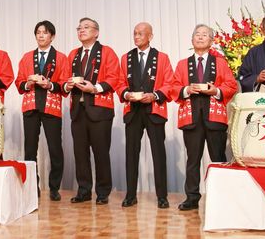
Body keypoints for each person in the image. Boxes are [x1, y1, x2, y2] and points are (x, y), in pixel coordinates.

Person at [169, 24, 238, 211]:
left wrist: (216, 90)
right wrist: (186, 89)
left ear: (211, 41)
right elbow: (173, 87)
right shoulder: (182, 64)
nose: (200, 37)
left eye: (205, 35)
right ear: (192, 40)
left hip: (214, 116)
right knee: (192, 160)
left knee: (218, 158)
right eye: (197, 34)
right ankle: (192, 198)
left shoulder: (220, 63)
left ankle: (222, 197)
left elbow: (231, 85)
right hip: (191, 117)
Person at [64, 17, 123, 205]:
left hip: (100, 109)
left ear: (96, 32)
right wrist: (67, 85)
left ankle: (103, 192)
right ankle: (84, 190)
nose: (81, 30)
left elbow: (114, 77)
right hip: (78, 110)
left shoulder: (107, 52)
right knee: (80, 153)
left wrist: (95, 88)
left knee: (101, 152)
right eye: (79, 28)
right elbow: (64, 78)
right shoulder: (73, 54)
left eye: (86, 27)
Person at [118, 22, 174, 209]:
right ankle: (130, 195)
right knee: (131, 154)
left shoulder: (162, 58)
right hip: (133, 111)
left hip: (154, 110)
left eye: (141, 33)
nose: (136, 36)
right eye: (134, 33)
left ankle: (162, 196)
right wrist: (126, 94)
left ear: (150, 36)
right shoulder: (126, 58)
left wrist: (155, 95)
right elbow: (119, 82)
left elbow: (170, 83)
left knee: (159, 154)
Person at [14, 20, 70, 201]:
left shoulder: (61, 58)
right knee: (30, 149)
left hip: (51, 106)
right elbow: (18, 81)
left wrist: (50, 84)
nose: (41, 35)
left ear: (52, 36)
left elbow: (65, 84)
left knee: (55, 148)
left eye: (45, 32)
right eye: (38, 32)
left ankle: (54, 187)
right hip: (31, 106)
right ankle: (32, 187)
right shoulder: (27, 57)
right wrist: (27, 83)